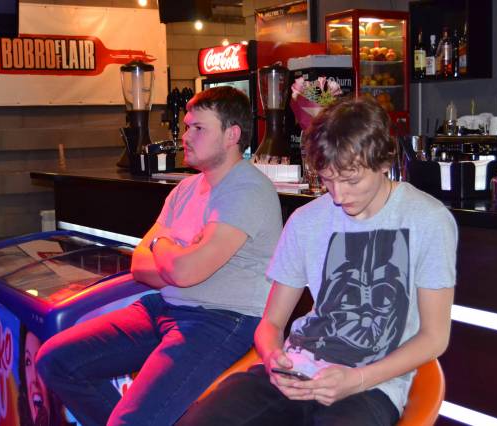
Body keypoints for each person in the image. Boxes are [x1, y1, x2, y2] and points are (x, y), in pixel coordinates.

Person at [178, 97, 458, 426]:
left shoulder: (428, 219)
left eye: (351, 180)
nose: (338, 195)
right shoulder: (306, 220)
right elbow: (271, 324)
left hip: (370, 386)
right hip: (297, 370)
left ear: (384, 161)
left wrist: (357, 379)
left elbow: (435, 337)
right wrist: (273, 358)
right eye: (327, 179)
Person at [35, 86, 283, 426]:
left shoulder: (248, 189)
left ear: (232, 135)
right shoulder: (186, 188)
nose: (186, 136)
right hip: (163, 307)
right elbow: (140, 264)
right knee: (55, 360)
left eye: (199, 128)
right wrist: (176, 256)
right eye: (187, 126)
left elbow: (185, 272)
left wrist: (163, 245)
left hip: (221, 320)